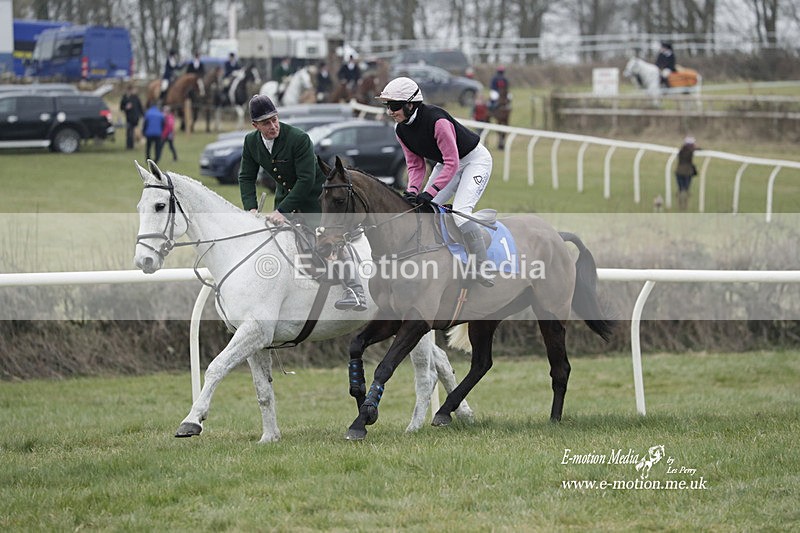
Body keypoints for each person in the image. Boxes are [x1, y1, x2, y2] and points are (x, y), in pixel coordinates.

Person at [239, 95, 367, 311]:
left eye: (274, 119)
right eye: (266, 123)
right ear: (255, 125)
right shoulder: (251, 142)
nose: (273, 126)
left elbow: (306, 180)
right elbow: (246, 177)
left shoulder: (299, 138)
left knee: (328, 238)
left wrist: (282, 211)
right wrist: (250, 209)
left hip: (318, 201)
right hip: (285, 199)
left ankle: (355, 290)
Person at [376, 77, 495, 287]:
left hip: (473, 160)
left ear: (410, 105)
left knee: (461, 212)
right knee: (423, 211)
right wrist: (412, 191)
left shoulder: (437, 121)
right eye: (387, 106)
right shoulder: (400, 130)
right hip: (447, 163)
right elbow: (415, 166)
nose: (390, 112)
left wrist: (429, 192)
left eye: (394, 106)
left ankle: (483, 266)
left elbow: (452, 162)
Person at [675, 136, 700, 211]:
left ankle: (680, 205)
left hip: (678, 172)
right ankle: (685, 206)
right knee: (686, 190)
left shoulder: (681, 150)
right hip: (687, 173)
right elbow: (697, 149)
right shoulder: (690, 150)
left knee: (680, 190)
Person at [119, 84, 143, 150]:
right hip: (129, 118)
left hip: (136, 117)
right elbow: (121, 107)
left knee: (134, 132)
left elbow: (140, 107)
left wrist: (143, 115)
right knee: (129, 131)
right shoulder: (125, 98)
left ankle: (133, 145)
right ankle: (129, 146)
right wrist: (126, 107)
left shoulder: (136, 98)